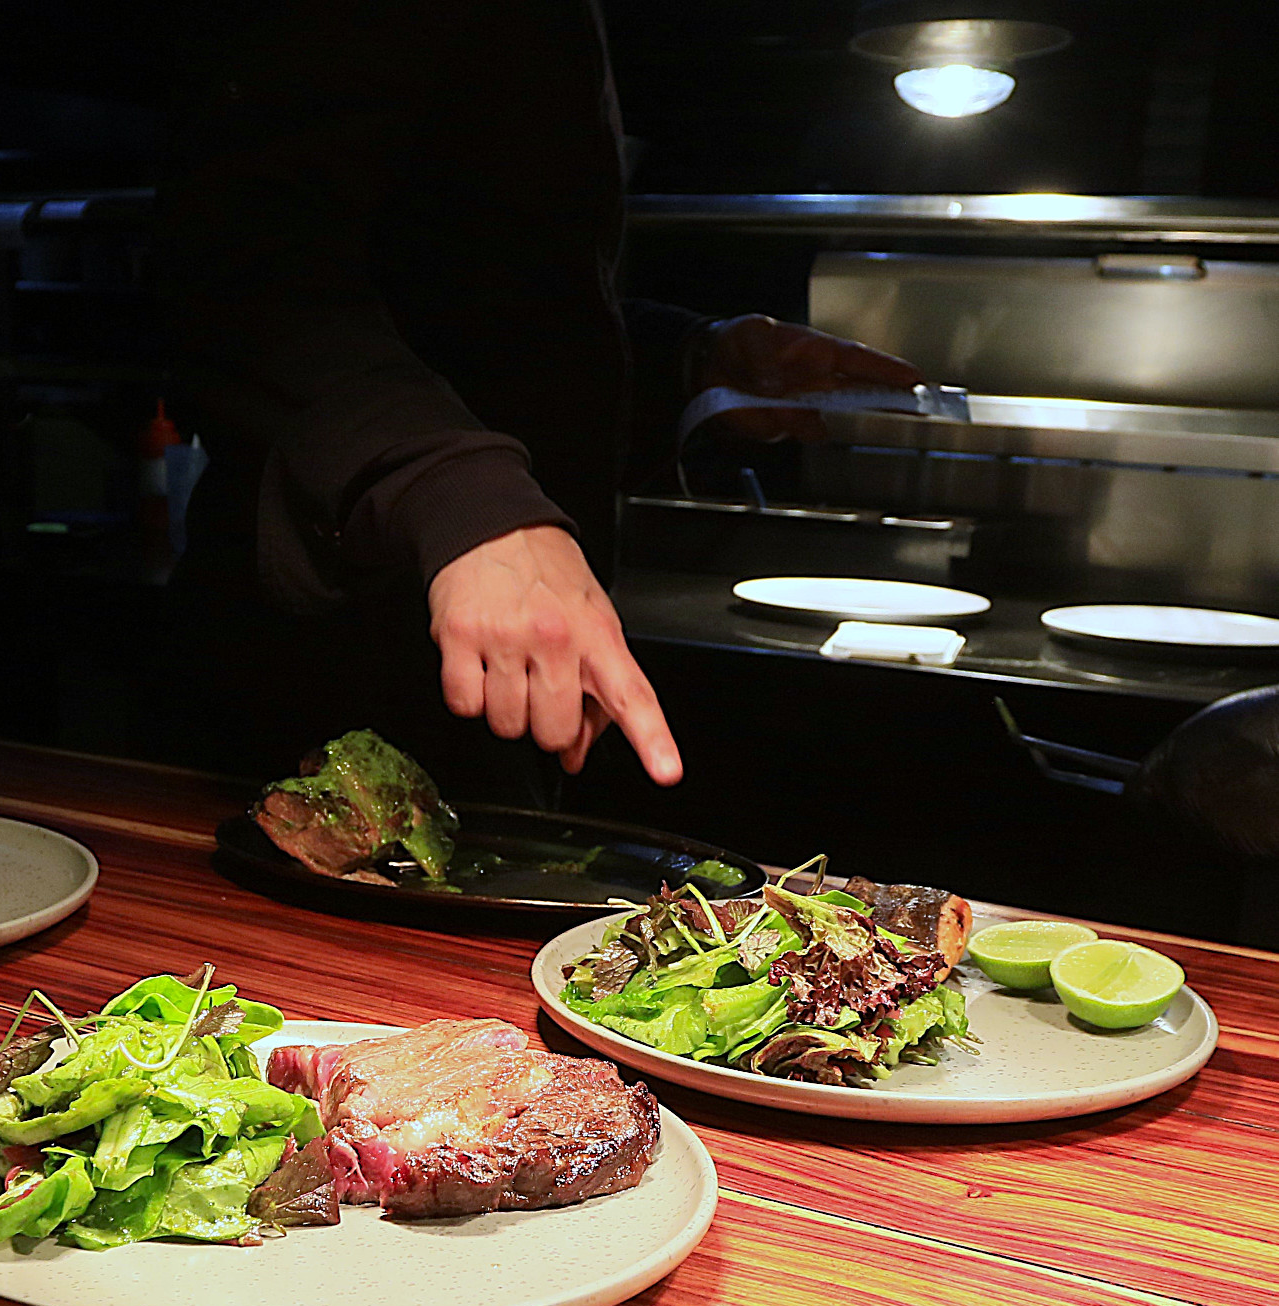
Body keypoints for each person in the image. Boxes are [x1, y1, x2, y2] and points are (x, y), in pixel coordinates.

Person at [157, 2, 917, 787]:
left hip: (511, 680)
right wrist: (456, 493)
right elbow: (238, 258)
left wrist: (691, 361)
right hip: (320, 669)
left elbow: (479, 303)